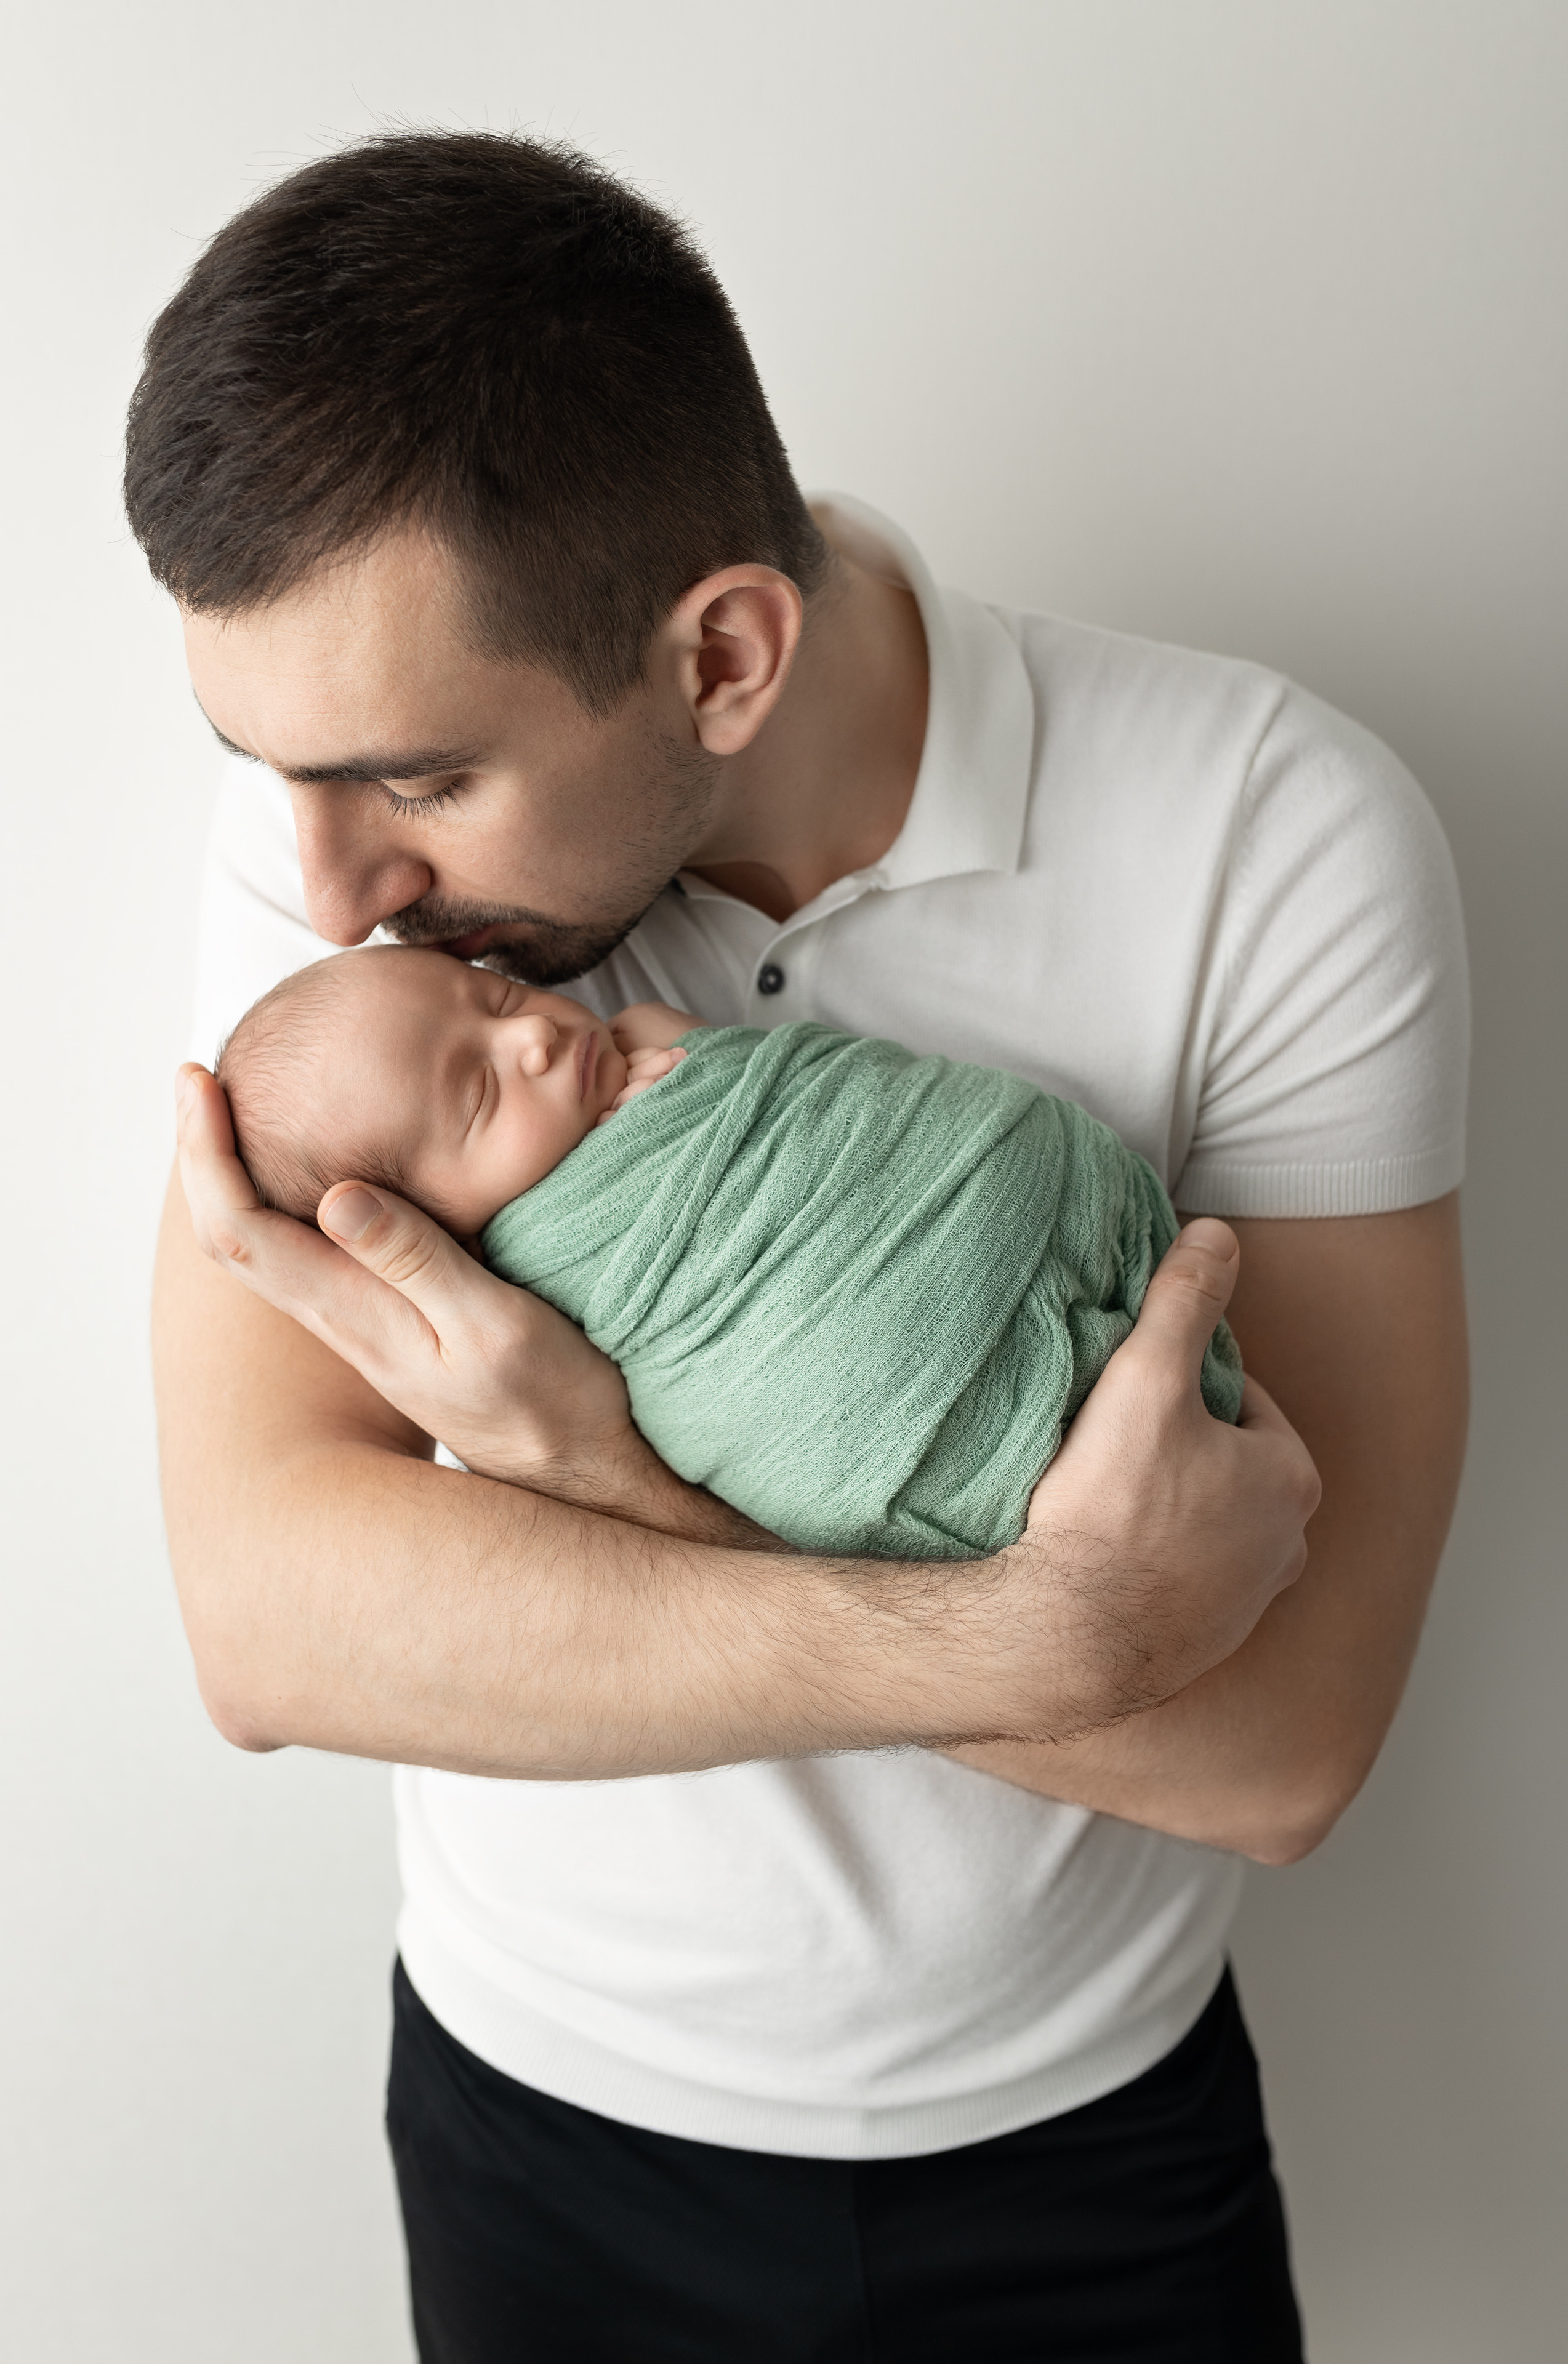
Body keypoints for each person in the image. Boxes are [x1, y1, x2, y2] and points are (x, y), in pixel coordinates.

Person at [132, 129, 1468, 2361]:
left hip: (1090, 2158)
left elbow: (1283, 1747)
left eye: (417, 783)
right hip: (533, 2120)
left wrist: (607, 1482)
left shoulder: (1272, 834)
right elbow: (269, 1621)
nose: (329, 882)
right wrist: (1059, 1633)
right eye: (270, 774)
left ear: (725, 654)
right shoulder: (348, 885)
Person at [212, 946, 1243, 1558]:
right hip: (926, 1432)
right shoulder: (527, 1286)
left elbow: (808, 1105)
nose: (528, 1039)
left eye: (494, 997)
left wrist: (702, 1067)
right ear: (433, 1236)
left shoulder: (646, 1038)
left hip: (1049, 1203)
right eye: (479, 1095)